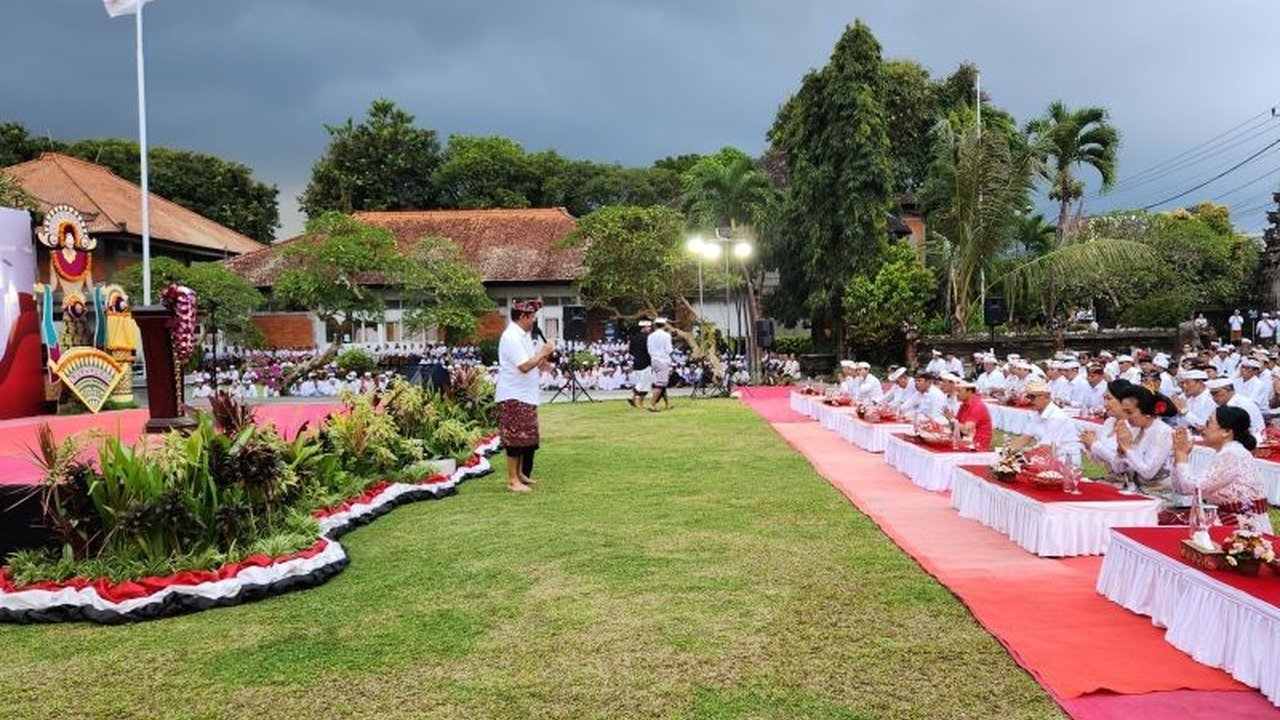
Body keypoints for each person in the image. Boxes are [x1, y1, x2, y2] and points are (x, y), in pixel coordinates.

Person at [1171, 406, 1272, 528]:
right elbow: (1182, 488)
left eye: (1209, 423)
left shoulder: (1232, 453)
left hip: (1245, 523)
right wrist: (1179, 455)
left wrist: (1182, 456)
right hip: (1228, 517)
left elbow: (1194, 488)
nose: (1203, 427)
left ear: (1226, 432)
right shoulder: (1226, 451)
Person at [496, 300, 556, 493]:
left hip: (525, 395)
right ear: (522, 316)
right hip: (514, 394)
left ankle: (520, 474)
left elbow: (530, 362)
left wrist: (543, 363)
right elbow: (523, 366)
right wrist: (542, 352)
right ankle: (512, 480)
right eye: (532, 317)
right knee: (515, 438)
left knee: (525, 438)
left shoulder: (523, 336)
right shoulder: (511, 337)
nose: (533, 321)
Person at [1010, 378, 1083, 465]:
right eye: (1028, 397)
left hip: (1064, 461)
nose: (1029, 400)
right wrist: (1008, 452)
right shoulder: (1036, 414)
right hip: (1047, 457)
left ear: (1046, 398)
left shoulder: (1057, 417)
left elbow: (1046, 448)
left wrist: (1021, 451)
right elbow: (1025, 438)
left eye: (1032, 397)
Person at [949, 379, 993, 450]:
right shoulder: (964, 405)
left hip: (977, 445)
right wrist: (951, 420)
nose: (956, 394)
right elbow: (956, 427)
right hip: (966, 441)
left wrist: (952, 420)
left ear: (969, 392)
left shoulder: (977, 406)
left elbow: (966, 430)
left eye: (959, 391)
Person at [646, 317, 674, 412]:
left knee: (662, 383)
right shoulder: (666, 335)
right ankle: (652, 405)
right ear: (664, 325)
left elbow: (649, 350)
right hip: (663, 360)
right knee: (660, 384)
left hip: (654, 360)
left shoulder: (650, 336)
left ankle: (667, 404)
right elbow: (669, 350)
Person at [629, 320, 653, 408]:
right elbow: (650, 350)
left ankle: (640, 403)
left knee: (644, 383)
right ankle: (633, 397)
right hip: (646, 363)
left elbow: (631, 351)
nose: (650, 328)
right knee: (643, 383)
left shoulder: (634, 338)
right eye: (649, 327)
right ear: (644, 327)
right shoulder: (648, 338)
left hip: (636, 363)